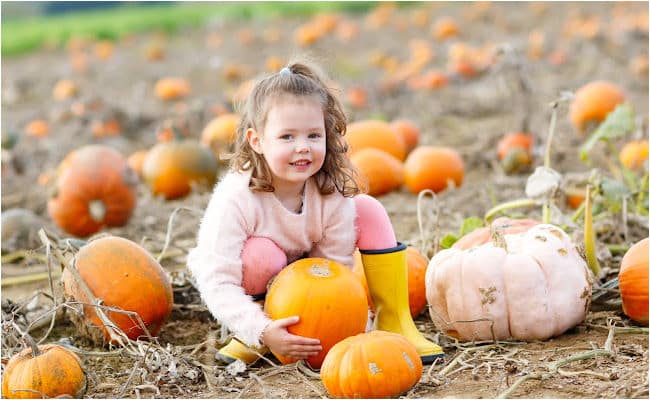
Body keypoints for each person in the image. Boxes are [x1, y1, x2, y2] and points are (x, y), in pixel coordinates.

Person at [186, 60, 444, 366]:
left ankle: (394, 321)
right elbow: (218, 282)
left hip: (306, 279)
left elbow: (335, 270)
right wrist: (261, 329)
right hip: (251, 295)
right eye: (287, 137)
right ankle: (252, 338)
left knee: (367, 209)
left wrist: (348, 328)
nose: (302, 148)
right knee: (261, 255)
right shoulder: (236, 198)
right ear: (257, 141)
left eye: (313, 135)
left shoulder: (328, 192)